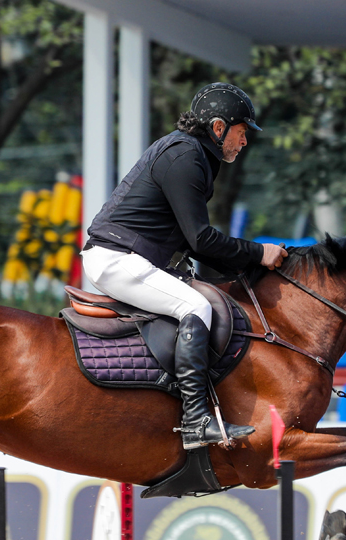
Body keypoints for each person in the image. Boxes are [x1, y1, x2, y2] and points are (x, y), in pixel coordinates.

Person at [81, 82, 288, 451]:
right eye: (242, 133)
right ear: (219, 128)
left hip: (130, 257)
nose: (244, 143)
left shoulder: (196, 155)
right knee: (196, 306)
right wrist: (258, 253)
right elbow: (202, 240)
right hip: (117, 259)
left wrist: (250, 267)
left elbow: (197, 247)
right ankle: (195, 421)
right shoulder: (185, 157)